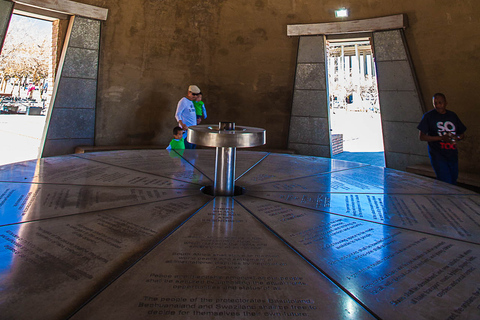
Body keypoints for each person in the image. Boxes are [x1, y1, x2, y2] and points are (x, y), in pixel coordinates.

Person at [417, 93, 467, 185]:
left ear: (446, 103)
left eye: (440, 103)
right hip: (438, 154)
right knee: (445, 180)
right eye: (435, 103)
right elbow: (422, 137)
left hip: (452, 154)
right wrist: (441, 138)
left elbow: (462, 133)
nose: (438, 105)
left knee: (453, 180)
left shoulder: (452, 116)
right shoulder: (429, 116)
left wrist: (457, 138)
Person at [175, 85, 201, 149]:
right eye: (193, 94)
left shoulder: (191, 102)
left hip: (192, 131)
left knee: (192, 151)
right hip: (186, 131)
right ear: (189, 92)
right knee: (187, 151)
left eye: (196, 95)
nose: (195, 96)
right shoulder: (183, 101)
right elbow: (177, 114)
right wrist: (182, 124)